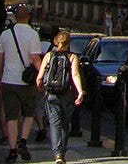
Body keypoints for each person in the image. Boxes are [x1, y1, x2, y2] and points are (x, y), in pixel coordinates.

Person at [0, 3, 41, 163]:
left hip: (8, 80)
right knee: (29, 114)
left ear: (15, 17)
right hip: (26, 83)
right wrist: (41, 77)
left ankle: (12, 150)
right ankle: (23, 141)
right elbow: (35, 58)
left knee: (11, 117)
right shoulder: (33, 34)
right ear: (28, 17)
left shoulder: (5, 34)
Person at [36, 30, 85, 164]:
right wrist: (80, 92)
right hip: (67, 95)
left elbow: (39, 77)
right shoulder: (72, 57)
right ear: (69, 43)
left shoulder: (48, 56)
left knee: (55, 124)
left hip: (51, 94)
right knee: (65, 124)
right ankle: (62, 152)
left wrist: (41, 88)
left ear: (55, 42)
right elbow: (75, 75)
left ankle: (57, 154)